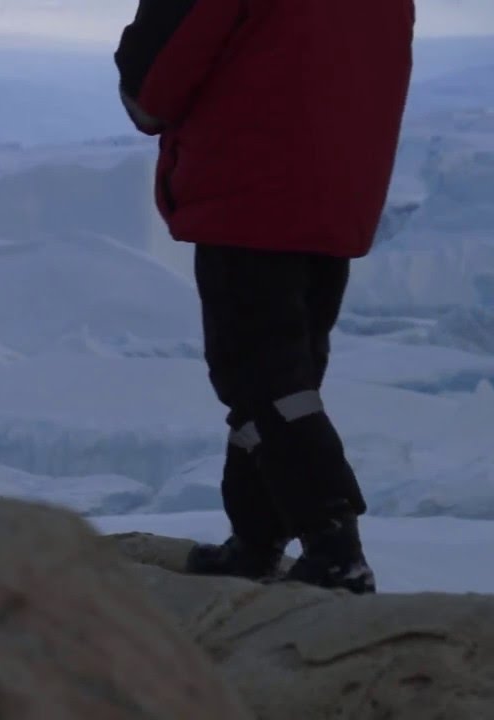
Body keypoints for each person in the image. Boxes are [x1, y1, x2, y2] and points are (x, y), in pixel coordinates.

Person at [113, 0, 415, 594]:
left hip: (253, 188)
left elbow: (152, 87)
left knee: (263, 378)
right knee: (284, 379)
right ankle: (257, 537)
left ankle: (334, 549)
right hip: (337, 191)